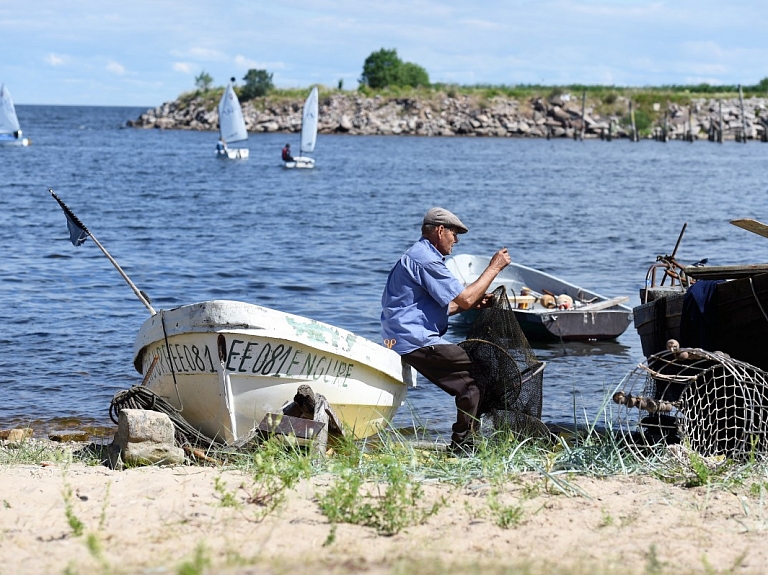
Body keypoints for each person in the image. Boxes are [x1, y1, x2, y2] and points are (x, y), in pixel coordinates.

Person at [381, 207, 511, 452]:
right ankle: (463, 447)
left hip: (403, 336)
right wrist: (494, 267)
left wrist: (470, 304)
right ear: (440, 231)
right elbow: (465, 298)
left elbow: (445, 306)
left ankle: (465, 442)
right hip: (414, 339)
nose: (457, 240)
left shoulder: (420, 255)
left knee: (474, 380)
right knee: (475, 378)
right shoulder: (425, 259)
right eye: (455, 233)